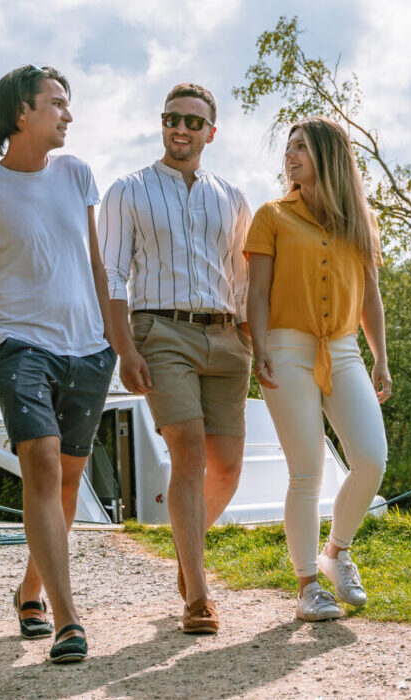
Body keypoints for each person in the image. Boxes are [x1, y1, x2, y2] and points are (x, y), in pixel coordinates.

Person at [0, 65, 126, 663]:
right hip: (18, 345)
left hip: (89, 350)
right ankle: (68, 621)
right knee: (43, 468)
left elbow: (99, 265)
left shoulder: (77, 174)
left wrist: (119, 345)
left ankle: (29, 589)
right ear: (22, 113)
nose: (68, 114)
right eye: (57, 103)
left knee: (68, 483)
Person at [96, 83, 252, 635]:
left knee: (228, 467)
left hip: (226, 337)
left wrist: (250, 339)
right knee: (187, 454)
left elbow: (241, 276)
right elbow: (112, 273)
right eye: (171, 119)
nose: (179, 129)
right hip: (160, 331)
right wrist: (125, 347)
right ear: (161, 124)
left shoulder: (231, 196)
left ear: (211, 131)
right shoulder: (127, 190)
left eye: (191, 121)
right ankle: (199, 597)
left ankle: (188, 561)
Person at [245, 116, 391, 622]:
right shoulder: (271, 216)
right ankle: (308, 583)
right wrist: (257, 346)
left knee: (371, 458)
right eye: (288, 148)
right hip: (286, 348)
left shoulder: (359, 220)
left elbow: (371, 297)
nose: (291, 155)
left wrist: (381, 357)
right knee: (306, 470)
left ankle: (338, 553)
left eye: (302, 147)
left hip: (346, 349)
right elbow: (256, 292)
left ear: (329, 156)